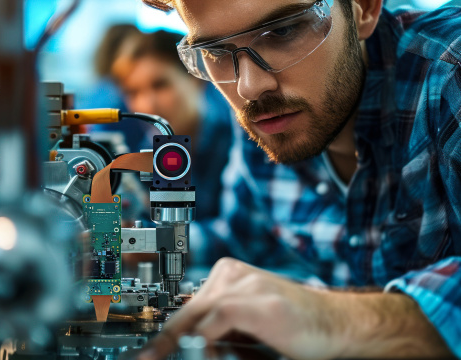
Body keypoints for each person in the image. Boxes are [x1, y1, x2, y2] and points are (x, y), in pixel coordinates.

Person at [132, 0, 461, 359]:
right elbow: (241, 238)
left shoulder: (450, 69)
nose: (249, 87)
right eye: (214, 50)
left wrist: (331, 319)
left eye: (283, 31)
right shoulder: (270, 116)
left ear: (363, 9)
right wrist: (135, 244)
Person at [108, 29, 234, 221]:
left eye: (160, 85)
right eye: (133, 93)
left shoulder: (239, 140)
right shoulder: (143, 154)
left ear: (196, 78)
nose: (147, 105)